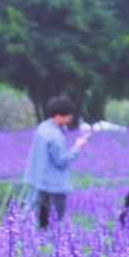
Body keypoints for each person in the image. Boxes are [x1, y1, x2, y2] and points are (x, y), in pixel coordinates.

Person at [23, 95, 89, 228]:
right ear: (59, 116)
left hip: (39, 180)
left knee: (37, 213)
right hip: (55, 184)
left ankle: (34, 237)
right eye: (68, 115)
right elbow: (61, 160)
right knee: (56, 220)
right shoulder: (55, 135)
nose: (69, 118)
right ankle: (51, 240)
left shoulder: (42, 128)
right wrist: (77, 146)